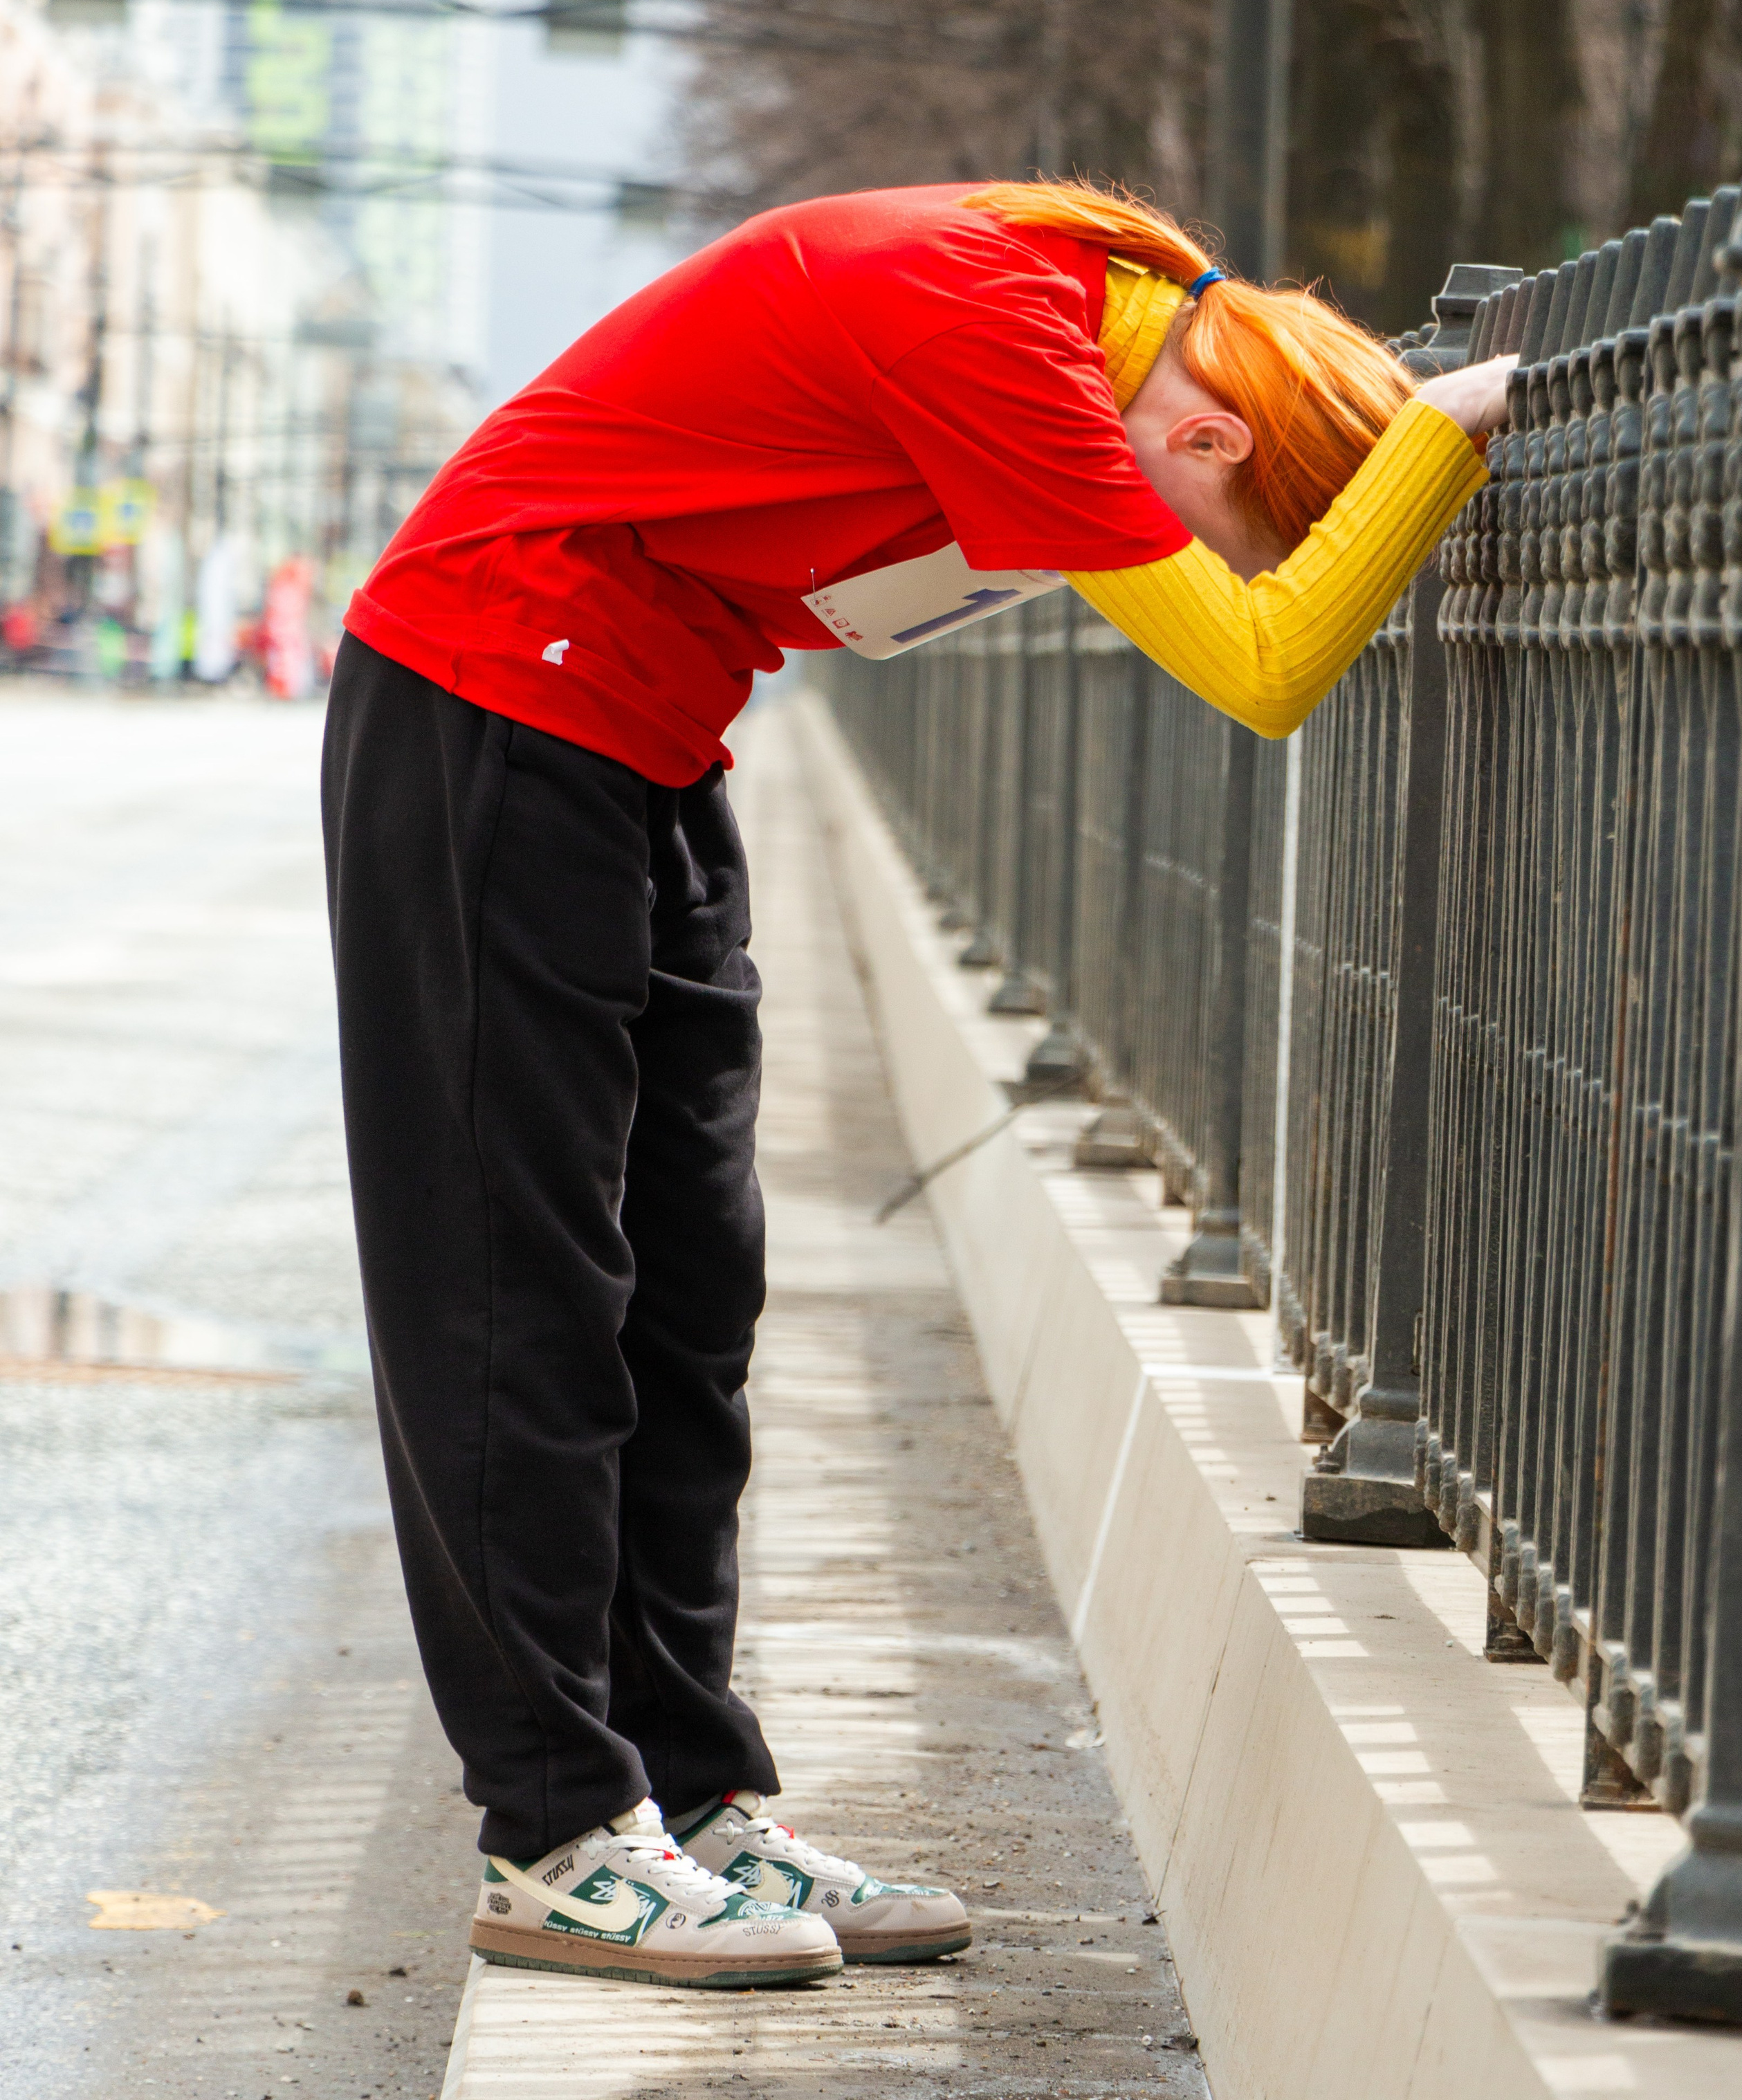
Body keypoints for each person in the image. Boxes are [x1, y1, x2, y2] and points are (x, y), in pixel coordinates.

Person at [320, 179, 1508, 1991]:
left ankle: (691, 1798)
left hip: (642, 727)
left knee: (688, 1296)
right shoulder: (1005, 332)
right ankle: (556, 1830)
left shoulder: (1114, 303)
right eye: (1225, 520)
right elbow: (1269, 670)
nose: (1186, 561)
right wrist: (1435, 440)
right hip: (493, 698)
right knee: (517, 1293)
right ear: (1208, 427)